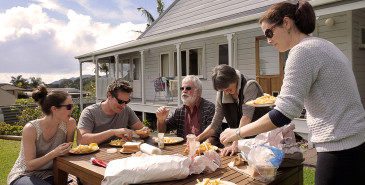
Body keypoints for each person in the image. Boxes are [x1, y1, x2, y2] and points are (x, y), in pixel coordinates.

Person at [220, 1, 365, 185]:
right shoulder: (323, 44)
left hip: (339, 149)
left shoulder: (301, 52)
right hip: (357, 144)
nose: (268, 40)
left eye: (269, 33)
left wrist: (238, 133)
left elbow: (283, 114)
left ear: (286, 23)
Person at [7, 85, 76, 185]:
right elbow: (30, 166)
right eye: (69, 107)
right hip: (25, 174)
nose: (72, 109)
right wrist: (54, 153)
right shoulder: (31, 129)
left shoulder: (70, 124)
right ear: (54, 109)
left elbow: (67, 153)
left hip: (50, 174)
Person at [197, 64, 271, 156]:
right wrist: (197, 139)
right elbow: (215, 124)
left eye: (229, 90)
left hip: (262, 138)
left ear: (235, 79)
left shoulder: (250, 86)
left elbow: (246, 117)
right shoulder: (221, 93)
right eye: (224, 91)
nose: (226, 93)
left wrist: (235, 145)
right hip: (242, 139)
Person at [77, 79, 150, 145]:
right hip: (95, 157)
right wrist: (112, 132)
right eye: (120, 101)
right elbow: (81, 141)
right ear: (109, 95)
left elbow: (141, 129)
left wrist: (145, 131)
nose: (123, 105)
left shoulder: (126, 110)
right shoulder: (90, 112)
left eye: (126, 102)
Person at [156, 75, 219, 144]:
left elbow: (214, 137)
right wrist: (161, 120)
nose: (184, 91)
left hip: (203, 150)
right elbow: (162, 130)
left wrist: (202, 147)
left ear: (198, 91)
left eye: (188, 88)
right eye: (182, 88)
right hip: (183, 149)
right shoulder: (180, 110)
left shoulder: (209, 108)